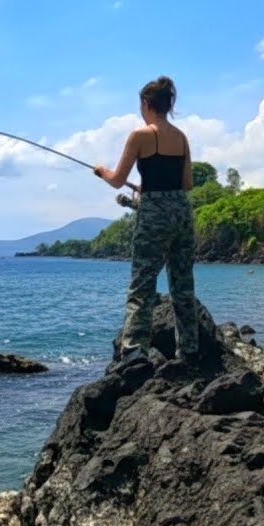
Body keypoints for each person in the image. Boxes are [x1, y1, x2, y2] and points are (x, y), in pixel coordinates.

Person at [92, 76, 198, 361]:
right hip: (182, 212)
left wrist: (101, 170)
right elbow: (186, 183)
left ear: (146, 104)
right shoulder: (182, 138)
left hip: (153, 215)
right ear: (168, 104)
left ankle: (134, 352)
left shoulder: (140, 135)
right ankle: (189, 350)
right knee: (183, 285)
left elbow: (117, 180)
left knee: (142, 284)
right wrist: (148, 186)